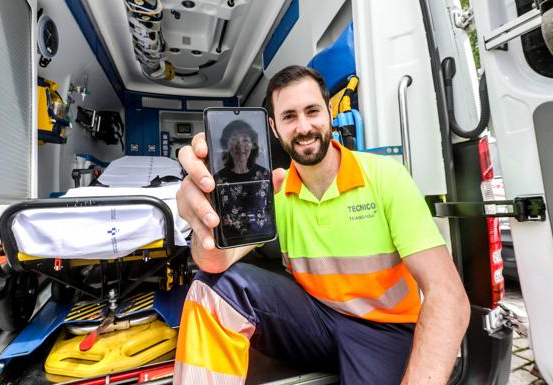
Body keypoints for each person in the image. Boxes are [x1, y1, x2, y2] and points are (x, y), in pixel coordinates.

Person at [172, 65, 470, 385]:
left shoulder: (385, 177)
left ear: (329, 112)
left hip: (384, 330)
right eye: (289, 117)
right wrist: (205, 226)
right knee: (212, 288)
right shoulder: (274, 191)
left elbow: (448, 295)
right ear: (273, 128)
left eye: (312, 111)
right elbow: (215, 262)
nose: (304, 127)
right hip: (315, 323)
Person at [213, 120, 273, 245]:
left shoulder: (265, 174)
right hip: (230, 242)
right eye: (234, 139)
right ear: (227, 145)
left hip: (264, 239)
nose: (240, 146)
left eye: (246, 140)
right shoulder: (218, 179)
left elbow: (271, 209)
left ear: (252, 145)